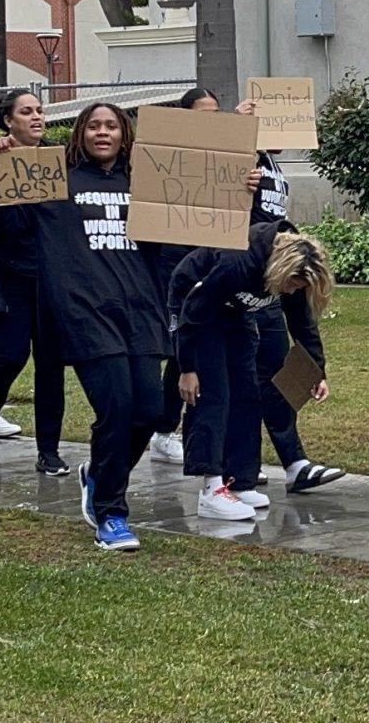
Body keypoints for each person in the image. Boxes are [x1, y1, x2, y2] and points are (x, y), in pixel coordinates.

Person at [23, 102, 168, 550]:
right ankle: (111, 514)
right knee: (117, 407)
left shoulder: (146, 183)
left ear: (125, 134)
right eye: (93, 126)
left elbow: (198, 212)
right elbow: (4, 206)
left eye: (111, 126)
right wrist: (6, 155)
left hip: (141, 311)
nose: (102, 133)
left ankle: (100, 473)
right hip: (86, 312)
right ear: (79, 133)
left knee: (150, 412)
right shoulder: (55, 182)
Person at [170, 220, 335, 520]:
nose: (290, 292)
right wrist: (188, 368)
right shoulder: (238, 261)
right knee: (215, 394)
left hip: (237, 314)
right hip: (196, 310)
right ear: (280, 270)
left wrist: (317, 372)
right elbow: (194, 311)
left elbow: (302, 324)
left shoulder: (295, 273)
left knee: (247, 394)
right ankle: (211, 488)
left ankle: (240, 482)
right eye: (290, 285)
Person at [237, 98, 348, 494]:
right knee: (236, 381)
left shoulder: (273, 165)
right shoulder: (244, 158)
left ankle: (294, 463)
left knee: (273, 375)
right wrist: (239, 132)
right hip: (244, 277)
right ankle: (231, 469)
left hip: (276, 274)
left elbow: (304, 317)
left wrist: (316, 368)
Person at [0, 89, 68, 475]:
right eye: (27, 112)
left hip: (52, 278)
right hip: (8, 278)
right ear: (9, 121)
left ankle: (49, 450)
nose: (37, 117)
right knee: (8, 357)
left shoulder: (58, 160)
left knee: (51, 364)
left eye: (40, 111)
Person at [145, 87, 219, 465]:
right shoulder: (167, 157)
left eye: (216, 114)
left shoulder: (223, 159)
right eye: (202, 114)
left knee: (193, 345)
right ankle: (161, 428)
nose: (211, 121)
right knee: (176, 344)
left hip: (208, 259)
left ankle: (172, 427)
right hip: (170, 262)